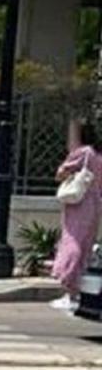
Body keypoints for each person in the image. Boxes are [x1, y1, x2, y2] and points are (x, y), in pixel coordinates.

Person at [50, 119, 102, 311]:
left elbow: (60, 173)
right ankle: (79, 290)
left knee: (72, 241)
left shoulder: (82, 152)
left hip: (79, 203)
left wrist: (66, 172)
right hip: (95, 204)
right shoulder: (97, 154)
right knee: (86, 243)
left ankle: (69, 288)